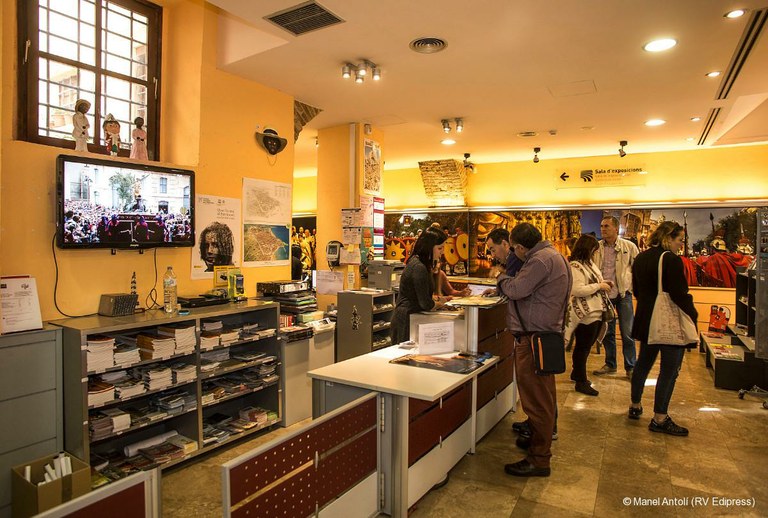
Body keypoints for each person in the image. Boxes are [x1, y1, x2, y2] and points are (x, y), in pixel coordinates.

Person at [496, 223, 571, 477]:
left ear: (519, 247)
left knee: (537, 401)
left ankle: (539, 459)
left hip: (533, 339)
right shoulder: (554, 256)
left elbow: (516, 289)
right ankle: (538, 446)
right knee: (543, 397)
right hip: (543, 336)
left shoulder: (539, 261)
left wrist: (501, 278)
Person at [628, 221, 698, 436]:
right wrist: (693, 315)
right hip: (667, 322)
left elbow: (637, 290)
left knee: (643, 364)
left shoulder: (641, 258)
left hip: (645, 318)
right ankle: (659, 418)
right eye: (679, 240)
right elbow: (679, 294)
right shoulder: (671, 260)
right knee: (669, 370)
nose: (681, 244)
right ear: (668, 238)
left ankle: (635, 405)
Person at [564, 234, 613, 396]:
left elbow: (594, 282)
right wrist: (599, 286)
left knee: (586, 345)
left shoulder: (589, 264)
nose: (596, 253)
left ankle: (577, 373)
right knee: (583, 347)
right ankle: (581, 380)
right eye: (594, 250)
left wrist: (604, 284)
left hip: (596, 310)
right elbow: (577, 289)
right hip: (586, 313)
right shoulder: (575, 266)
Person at [593, 216, 639, 378]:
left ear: (616, 228)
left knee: (627, 333)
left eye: (606, 226)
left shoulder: (629, 246)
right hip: (604, 296)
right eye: (601, 226)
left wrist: (631, 287)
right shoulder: (596, 248)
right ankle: (610, 363)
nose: (603, 229)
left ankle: (631, 367)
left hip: (623, 294)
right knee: (607, 332)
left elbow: (637, 269)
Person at [390, 227, 447, 345]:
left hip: (410, 317)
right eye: (440, 248)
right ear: (429, 247)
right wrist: (440, 303)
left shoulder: (420, 263)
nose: (442, 252)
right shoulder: (419, 267)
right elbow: (425, 303)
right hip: (406, 320)